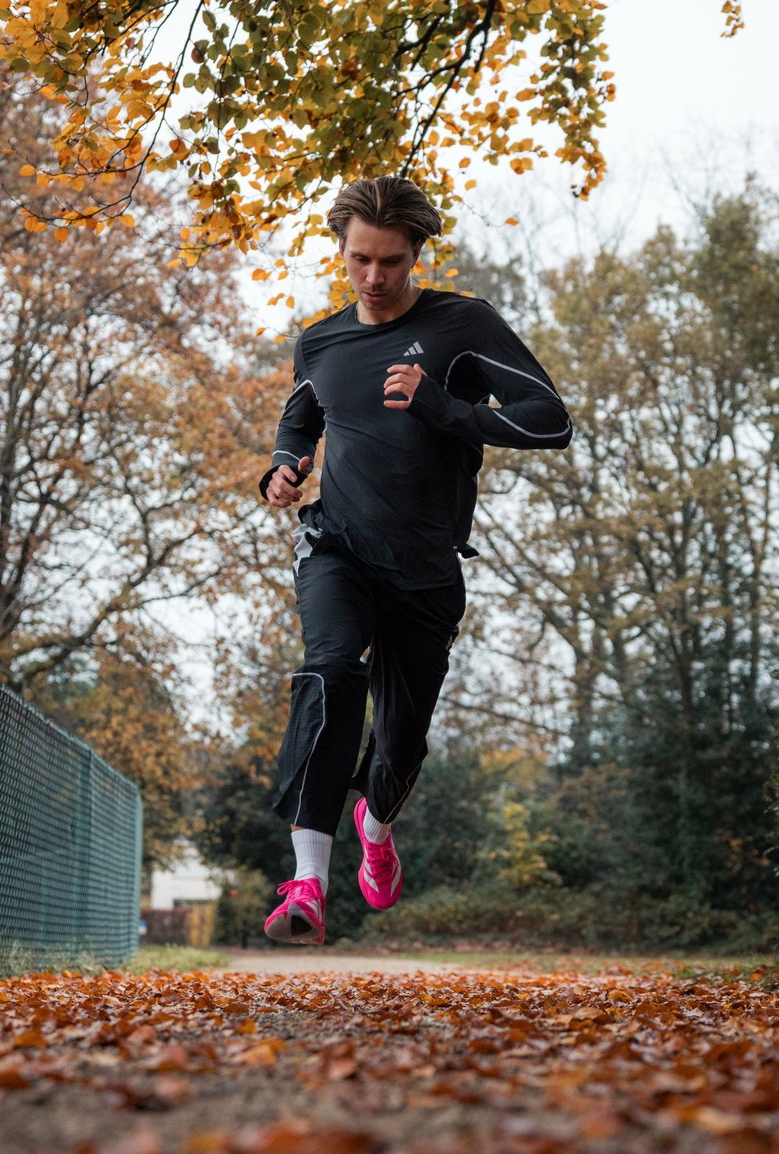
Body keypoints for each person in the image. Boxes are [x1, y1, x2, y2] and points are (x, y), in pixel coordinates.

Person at [259, 175, 572, 945]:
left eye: (391, 262)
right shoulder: (322, 339)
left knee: (399, 746)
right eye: (360, 259)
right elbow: (303, 412)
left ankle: (376, 821)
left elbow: (550, 420)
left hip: (426, 568)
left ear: (416, 256)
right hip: (337, 547)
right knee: (329, 670)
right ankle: (306, 879)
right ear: (342, 251)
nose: (373, 277)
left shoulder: (463, 324)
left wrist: (444, 407)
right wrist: (284, 463)